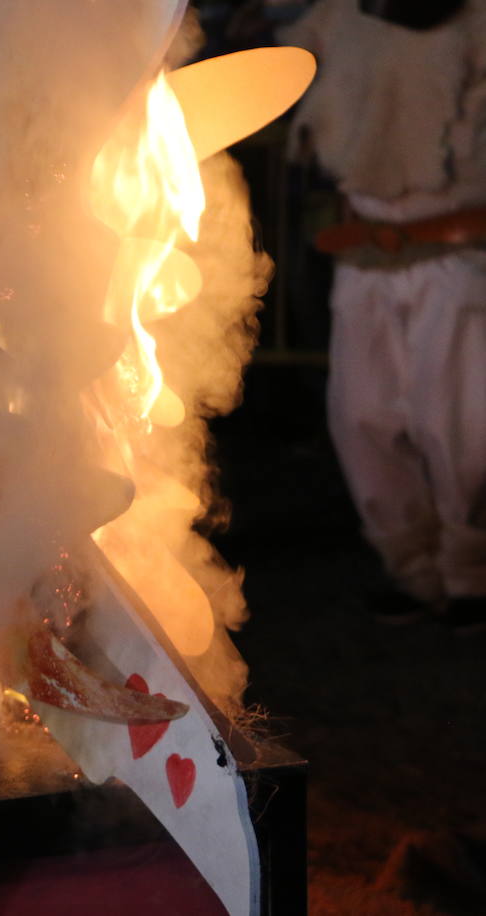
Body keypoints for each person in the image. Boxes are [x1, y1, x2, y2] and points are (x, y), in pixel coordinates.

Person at [282, 0, 486, 630]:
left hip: (458, 250)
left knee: (458, 429)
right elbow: (287, 68)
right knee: (363, 419)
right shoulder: (337, 16)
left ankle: (471, 576)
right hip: (367, 249)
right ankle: (415, 572)